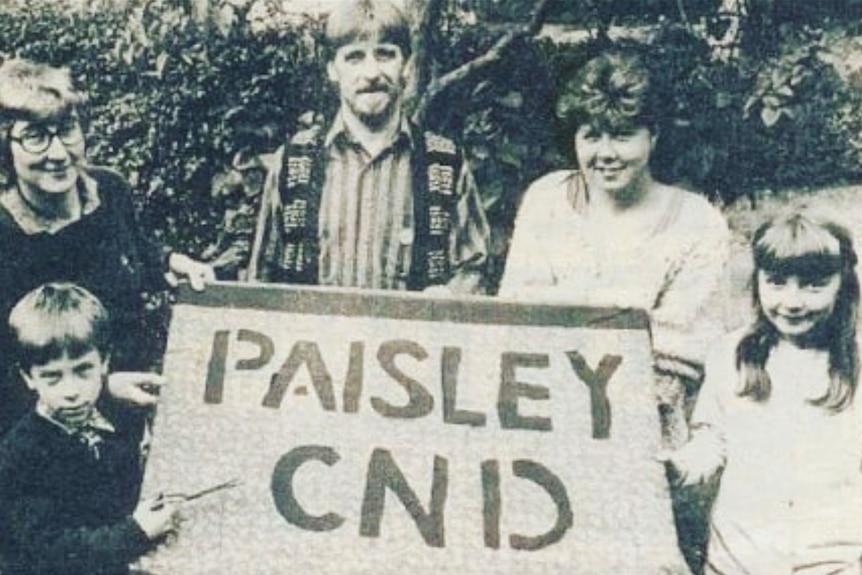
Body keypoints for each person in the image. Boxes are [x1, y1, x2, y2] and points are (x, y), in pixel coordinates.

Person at [497, 44, 730, 572]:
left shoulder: (697, 225)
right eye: (591, 134)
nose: (605, 152)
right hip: (540, 430)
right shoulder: (547, 200)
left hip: (645, 442)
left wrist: (574, 318)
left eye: (623, 134)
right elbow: (514, 317)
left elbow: (679, 358)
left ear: (654, 137)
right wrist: (625, 314)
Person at [0, 59, 215, 434]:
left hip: (126, 419)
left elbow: (132, 246)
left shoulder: (109, 190)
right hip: (39, 440)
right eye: (35, 136)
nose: (58, 153)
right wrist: (101, 388)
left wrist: (171, 262)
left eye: (67, 129)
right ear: (6, 148)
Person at [247, 0, 489, 294]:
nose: (371, 73)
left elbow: (474, 270)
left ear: (407, 66)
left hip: (407, 339)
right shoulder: (293, 162)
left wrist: (450, 295)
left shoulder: (445, 163)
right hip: (313, 339)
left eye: (385, 55)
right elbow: (259, 280)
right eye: (354, 57)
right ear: (332, 70)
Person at [667, 209, 862, 574]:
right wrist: (682, 464)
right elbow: (713, 439)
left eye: (813, 285)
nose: (791, 301)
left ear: (844, 283)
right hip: (738, 561)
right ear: (756, 281)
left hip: (833, 563)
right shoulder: (732, 353)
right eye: (775, 281)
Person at [0, 283, 182, 575]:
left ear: (104, 363)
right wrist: (134, 533)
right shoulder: (22, 454)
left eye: (83, 370)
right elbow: (49, 549)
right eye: (52, 377)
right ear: (28, 378)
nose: (71, 391)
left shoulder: (114, 417)